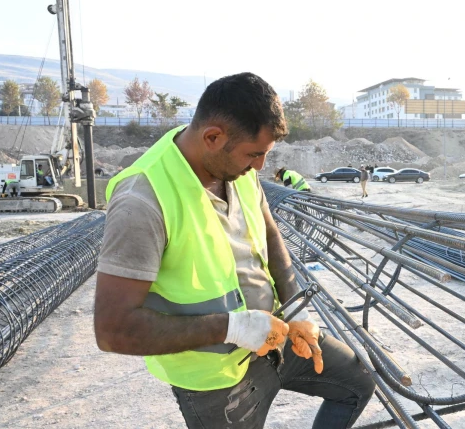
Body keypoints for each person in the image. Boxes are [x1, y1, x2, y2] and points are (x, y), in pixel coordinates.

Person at [94, 73, 375, 429]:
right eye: (254, 154)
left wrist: (294, 309)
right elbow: (112, 330)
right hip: (214, 377)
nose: (259, 167)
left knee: (357, 383)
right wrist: (233, 328)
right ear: (213, 137)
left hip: (275, 334)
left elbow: (270, 234)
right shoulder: (142, 201)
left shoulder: (237, 169)